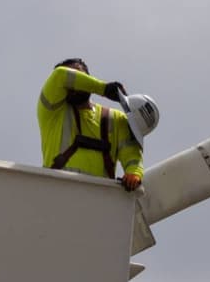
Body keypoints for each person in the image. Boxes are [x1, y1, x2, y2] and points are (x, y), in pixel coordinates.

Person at [38, 58, 144, 191]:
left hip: (98, 201)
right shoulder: (52, 111)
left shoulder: (115, 118)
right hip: (57, 194)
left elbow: (131, 152)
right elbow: (60, 75)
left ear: (88, 80)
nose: (74, 85)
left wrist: (134, 172)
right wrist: (103, 88)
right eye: (72, 79)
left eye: (80, 78)